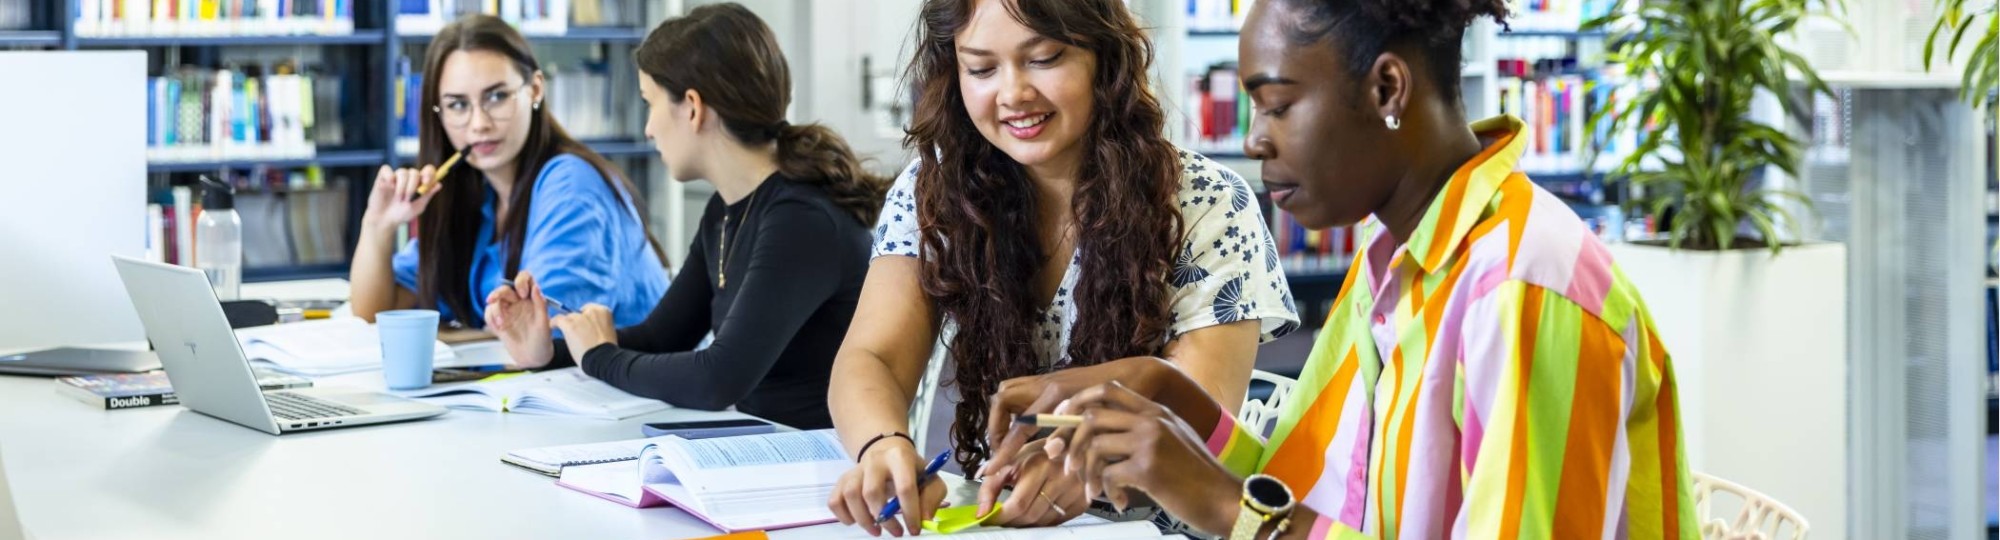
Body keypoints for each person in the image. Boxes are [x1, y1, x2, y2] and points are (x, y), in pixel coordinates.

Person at [983, 0, 1702, 537]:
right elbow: (1309, 492)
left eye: (1279, 105)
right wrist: (1169, 397)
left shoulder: (1522, 289)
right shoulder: (1395, 262)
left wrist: (1221, 503)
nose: (1256, 141)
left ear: (1387, 89)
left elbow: (1259, 512)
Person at [826, 0, 1300, 536]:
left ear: (1104, 58)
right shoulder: (931, 190)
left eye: (1045, 58)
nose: (1013, 94)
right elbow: (873, 357)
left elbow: (1198, 415)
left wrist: (1085, 464)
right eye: (981, 68)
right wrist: (882, 444)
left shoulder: (1206, 202)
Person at [482, 3, 885, 431]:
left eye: (649, 104)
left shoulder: (800, 219)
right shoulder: (726, 210)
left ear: (692, 107)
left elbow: (718, 379)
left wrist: (599, 358)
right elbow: (662, 338)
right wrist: (553, 353)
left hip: (817, 468)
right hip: (759, 449)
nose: (648, 129)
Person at [349, 14, 668, 331]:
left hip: (618, 381)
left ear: (536, 90)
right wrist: (378, 225)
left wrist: (446, 341)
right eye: (458, 105)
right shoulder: (475, 196)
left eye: (497, 97)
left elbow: (534, 337)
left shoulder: (572, 184)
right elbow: (374, 316)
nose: (479, 124)